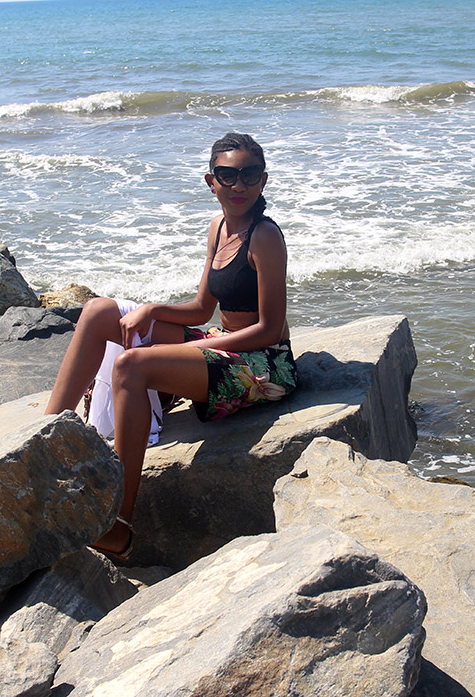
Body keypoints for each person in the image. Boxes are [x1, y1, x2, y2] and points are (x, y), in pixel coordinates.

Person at [44, 132, 296, 561]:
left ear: (264, 180)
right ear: (210, 181)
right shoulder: (220, 227)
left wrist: (210, 350)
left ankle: (119, 524)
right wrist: (151, 309)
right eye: (227, 175)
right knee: (99, 312)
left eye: (249, 175)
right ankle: (44, 439)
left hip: (265, 366)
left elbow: (271, 330)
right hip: (224, 344)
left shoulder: (265, 237)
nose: (239, 186)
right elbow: (202, 309)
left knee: (131, 367)